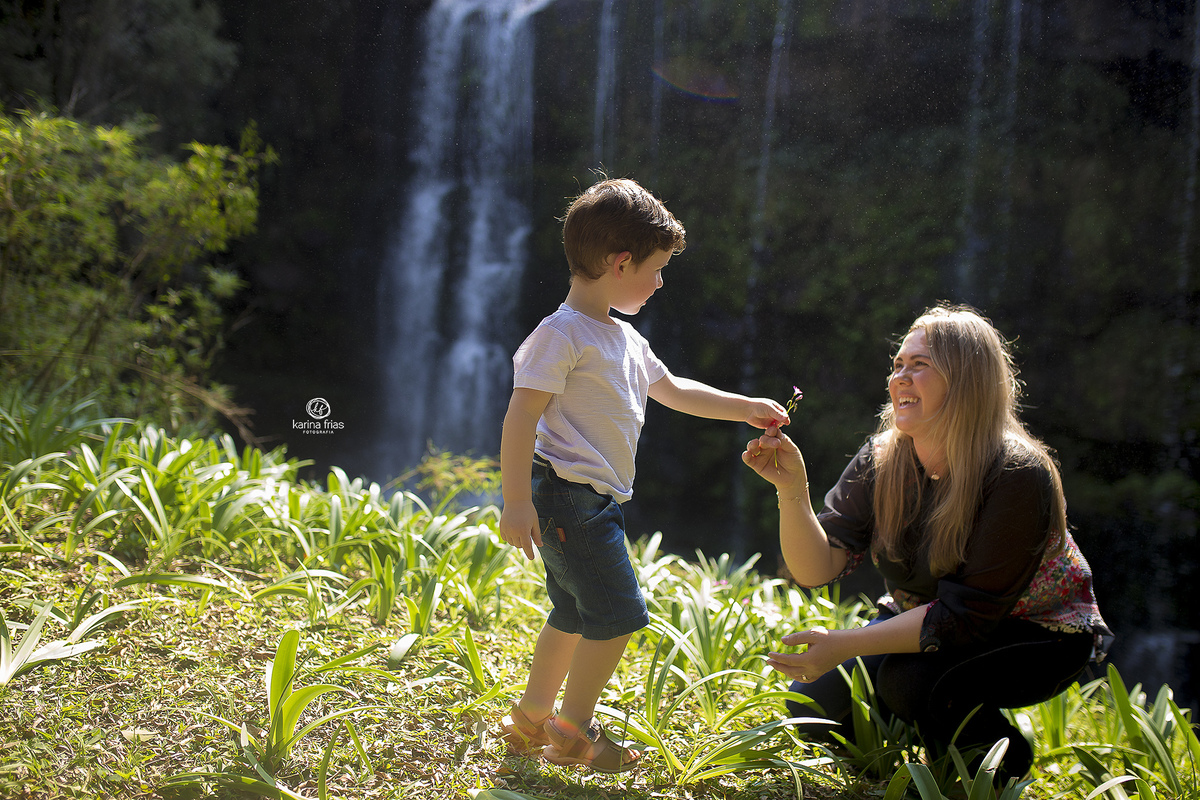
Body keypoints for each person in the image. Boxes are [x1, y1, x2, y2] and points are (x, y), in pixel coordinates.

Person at [741, 305, 1111, 783]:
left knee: (912, 683)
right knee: (813, 705)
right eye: (897, 364)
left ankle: (1002, 764)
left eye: (919, 365)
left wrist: (844, 644)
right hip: (930, 614)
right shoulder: (882, 457)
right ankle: (902, 753)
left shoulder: (1017, 473)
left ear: (967, 380)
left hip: (1035, 635)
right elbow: (816, 569)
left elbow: (964, 617)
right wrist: (792, 490)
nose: (900, 377)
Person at [497, 177, 791, 773]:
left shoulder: (625, 338)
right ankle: (571, 730)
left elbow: (675, 390)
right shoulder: (560, 334)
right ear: (620, 262)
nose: (660, 283)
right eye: (656, 270)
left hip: (592, 501)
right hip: (569, 498)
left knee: (572, 613)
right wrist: (516, 502)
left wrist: (746, 407)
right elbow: (520, 416)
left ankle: (530, 719)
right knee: (619, 615)